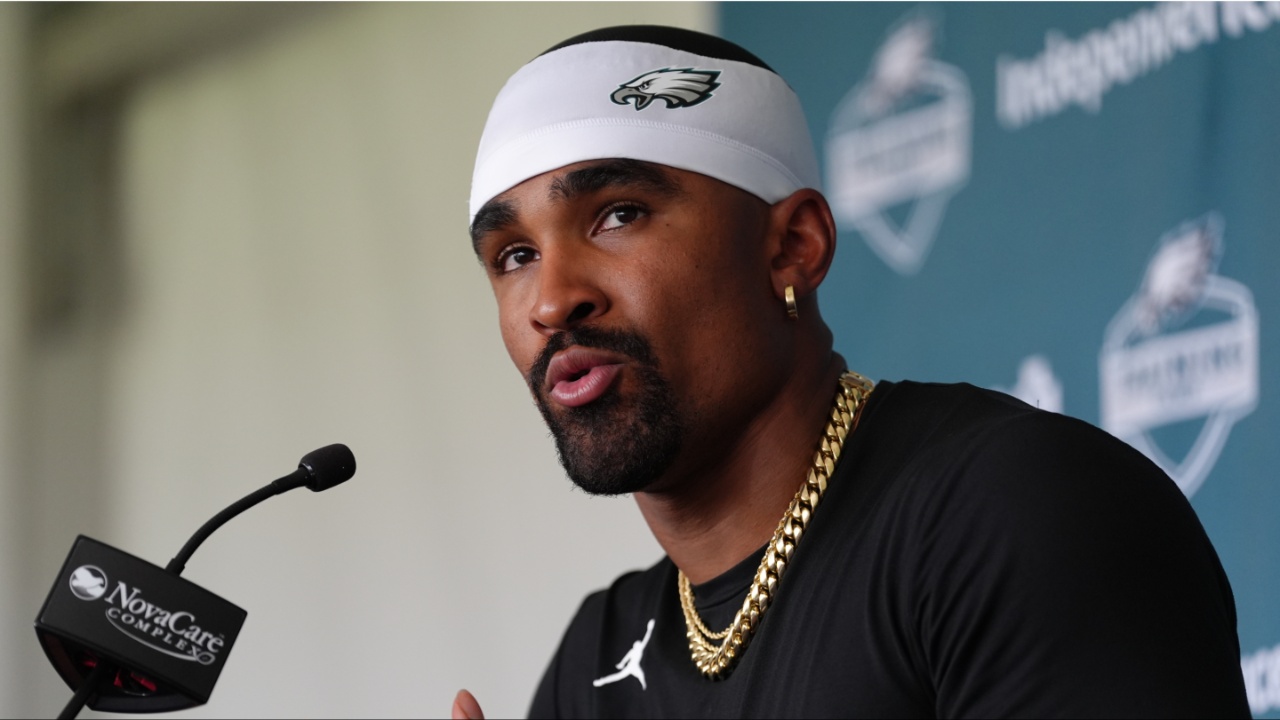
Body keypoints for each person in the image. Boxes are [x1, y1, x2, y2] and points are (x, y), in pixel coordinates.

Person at [452, 25, 1250, 719]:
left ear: (793, 245)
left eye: (617, 214)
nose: (551, 301)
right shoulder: (598, 660)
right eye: (514, 257)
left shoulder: (1013, 511)